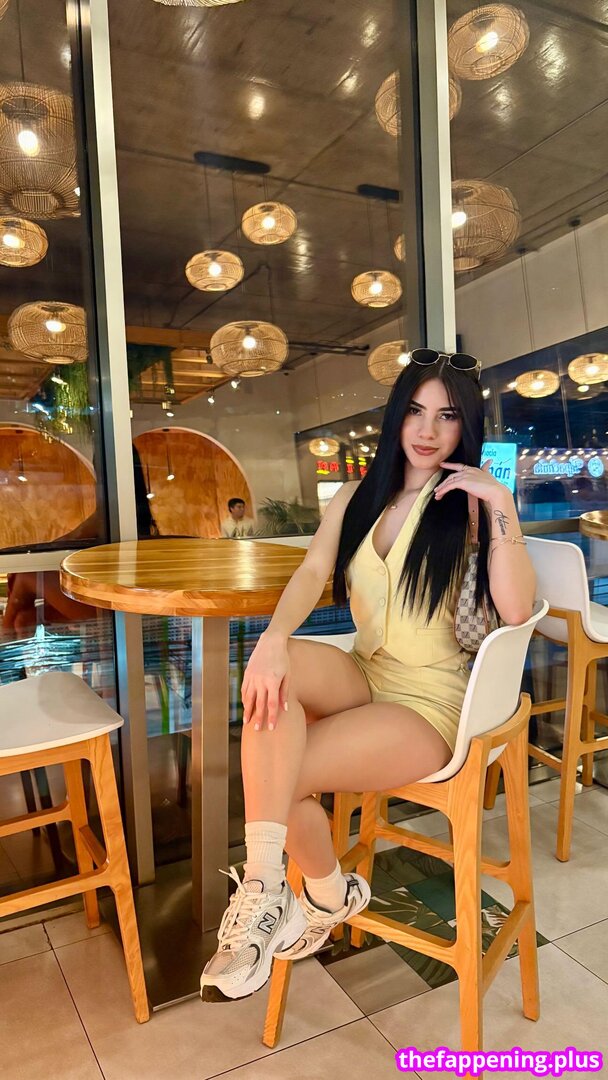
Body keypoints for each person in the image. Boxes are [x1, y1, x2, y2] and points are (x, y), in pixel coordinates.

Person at [200, 350, 536, 1003]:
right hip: (365, 670)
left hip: (431, 703)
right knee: (274, 678)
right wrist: (273, 639)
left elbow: (517, 609)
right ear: (395, 416)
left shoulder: (470, 505)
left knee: (277, 777)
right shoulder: (358, 497)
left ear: (466, 425)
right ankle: (297, 891)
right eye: (415, 411)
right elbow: (310, 572)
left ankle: (300, 895)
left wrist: (501, 504)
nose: (428, 430)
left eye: (447, 416)